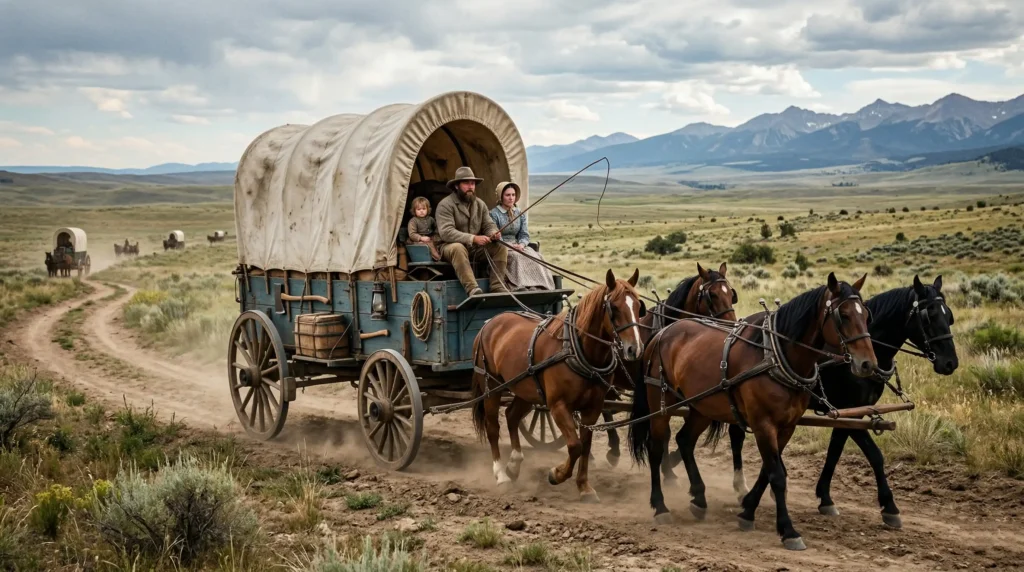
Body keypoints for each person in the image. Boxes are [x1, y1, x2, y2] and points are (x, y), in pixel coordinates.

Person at [435, 166, 509, 296]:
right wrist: (473, 238)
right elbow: (446, 232)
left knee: (500, 247)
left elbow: (488, 224)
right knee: (457, 248)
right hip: (448, 247)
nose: (470, 186)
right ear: (457, 186)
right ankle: (472, 289)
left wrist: (493, 232)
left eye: (473, 183)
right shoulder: (445, 205)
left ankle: (497, 286)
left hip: (473, 248)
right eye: (466, 183)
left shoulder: (480, 204)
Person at [489, 181, 556, 291]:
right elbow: (494, 234)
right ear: (501, 197)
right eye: (508, 195)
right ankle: (518, 286)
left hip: (518, 245)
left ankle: (538, 285)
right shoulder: (494, 214)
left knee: (536, 256)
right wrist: (507, 245)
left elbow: (524, 234)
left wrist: (521, 244)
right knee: (516, 257)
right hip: (502, 247)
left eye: (513, 195)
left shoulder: (519, 213)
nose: (511, 198)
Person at [406, 196, 442, 261]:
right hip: (417, 240)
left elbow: (436, 228)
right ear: (414, 210)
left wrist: (437, 235)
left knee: (439, 239)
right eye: (419, 209)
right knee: (429, 243)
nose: (421, 211)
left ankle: (442, 253)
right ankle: (438, 257)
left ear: (428, 209)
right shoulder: (413, 221)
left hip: (429, 237)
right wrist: (420, 238)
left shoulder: (430, 219)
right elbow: (412, 234)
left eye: (424, 209)